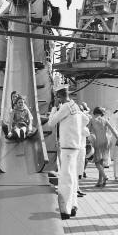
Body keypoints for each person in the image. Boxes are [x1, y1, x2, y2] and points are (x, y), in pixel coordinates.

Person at [48, 85, 89, 220]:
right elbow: (86, 120)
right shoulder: (75, 106)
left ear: (58, 97)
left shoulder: (65, 107)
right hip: (76, 146)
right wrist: (75, 129)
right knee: (73, 178)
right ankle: (73, 206)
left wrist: (54, 107)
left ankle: (65, 210)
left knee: (66, 178)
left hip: (67, 147)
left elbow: (51, 122)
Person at [88, 107, 118, 187]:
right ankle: (100, 181)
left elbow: (87, 131)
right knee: (101, 162)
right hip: (106, 142)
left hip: (97, 142)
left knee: (97, 162)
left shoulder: (92, 120)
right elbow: (113, 130)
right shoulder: (105, 120)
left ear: (94, 112)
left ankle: (105, 176)